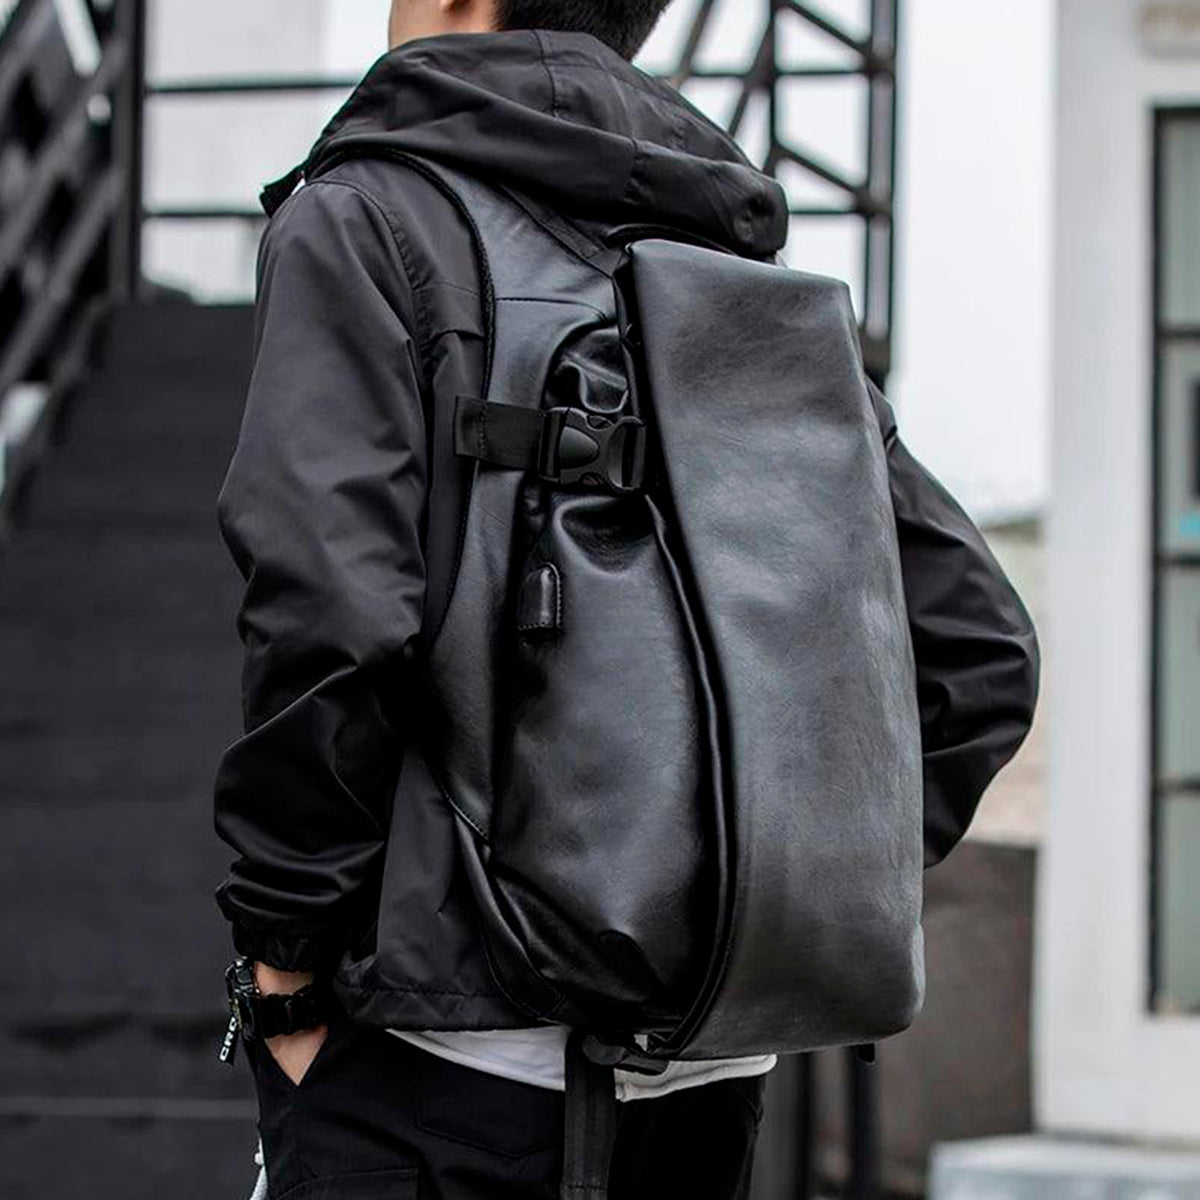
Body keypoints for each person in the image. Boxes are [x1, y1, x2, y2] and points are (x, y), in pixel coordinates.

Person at [213, 2, 1040, 1198]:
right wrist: (759, 893)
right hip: (703, 1077)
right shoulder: (739, 263)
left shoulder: (368, 217)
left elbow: (330, 618)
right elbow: (978, 648)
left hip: (438, 1060)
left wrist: (285, 961)